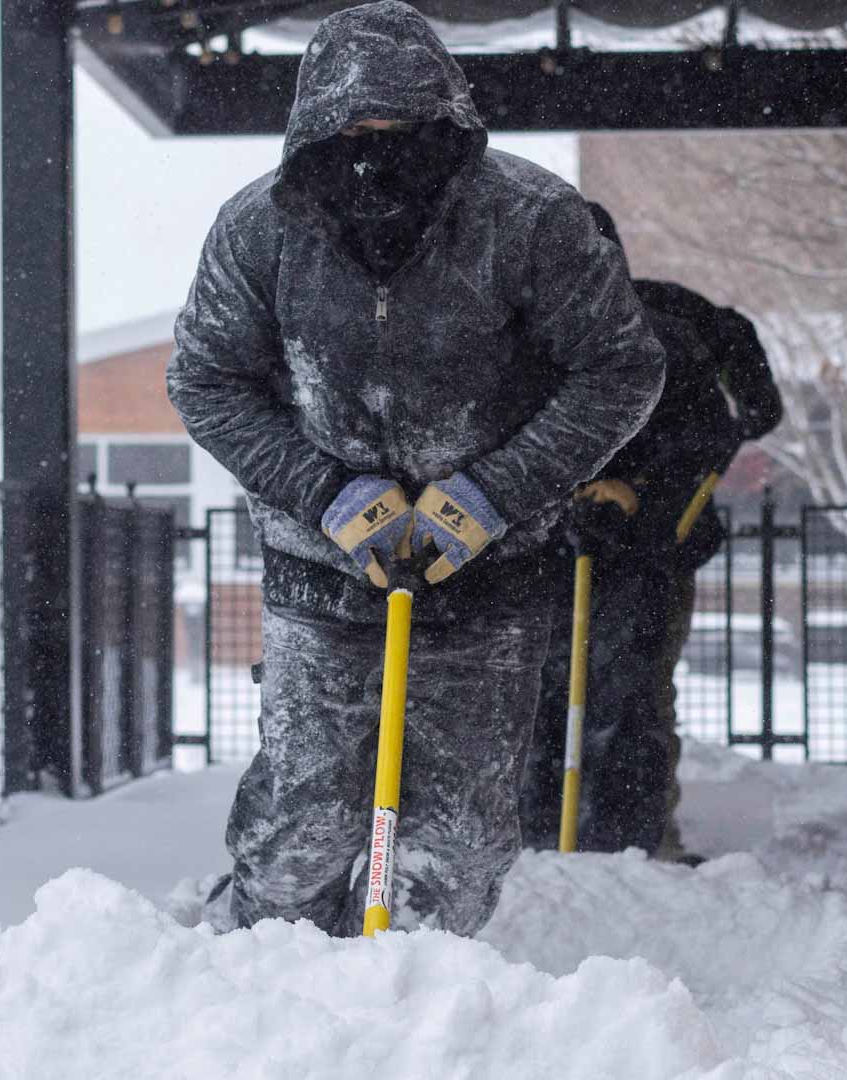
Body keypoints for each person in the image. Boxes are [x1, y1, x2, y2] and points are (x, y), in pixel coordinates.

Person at [167, 2, 665, 937]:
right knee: (301, 825)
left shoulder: (530, 218)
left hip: (489, 571)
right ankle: (261, 990)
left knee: (459, 845)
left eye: (401, 133)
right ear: (313, 127)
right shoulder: (260, 229)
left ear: (450, 126)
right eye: (352, 133)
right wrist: (327, 493)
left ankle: (415, 1002)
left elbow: (621, 368)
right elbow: (205, 377)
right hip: (323, 569)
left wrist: (489, 496)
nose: (375, 155)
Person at [519, 202, 785, 861]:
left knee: (629, 692)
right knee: (537, 693)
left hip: (647, 552)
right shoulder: (515, 342)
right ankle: (537, 849)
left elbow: (706, 442)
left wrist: (634, 496)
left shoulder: (663, 340)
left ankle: (630, 851)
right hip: (545, 551)